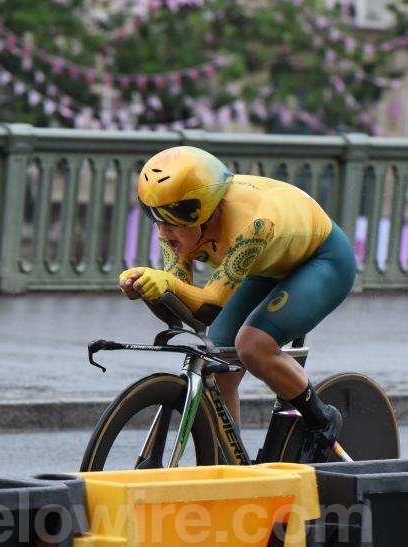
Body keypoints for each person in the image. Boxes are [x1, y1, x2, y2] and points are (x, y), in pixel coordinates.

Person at [118, 145, 356, 462]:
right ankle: (232, 465)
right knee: (217, 362)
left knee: (252, 345)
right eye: (154, 217)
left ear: (200, 212)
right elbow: (185, 308)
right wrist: (150, 289)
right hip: (264, 267)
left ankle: (322, 418)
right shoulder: (176, 223)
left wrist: (168, 284)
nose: (163, 231)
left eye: (171, 221)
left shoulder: (252, 223)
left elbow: (210, 306)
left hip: (322, 262)